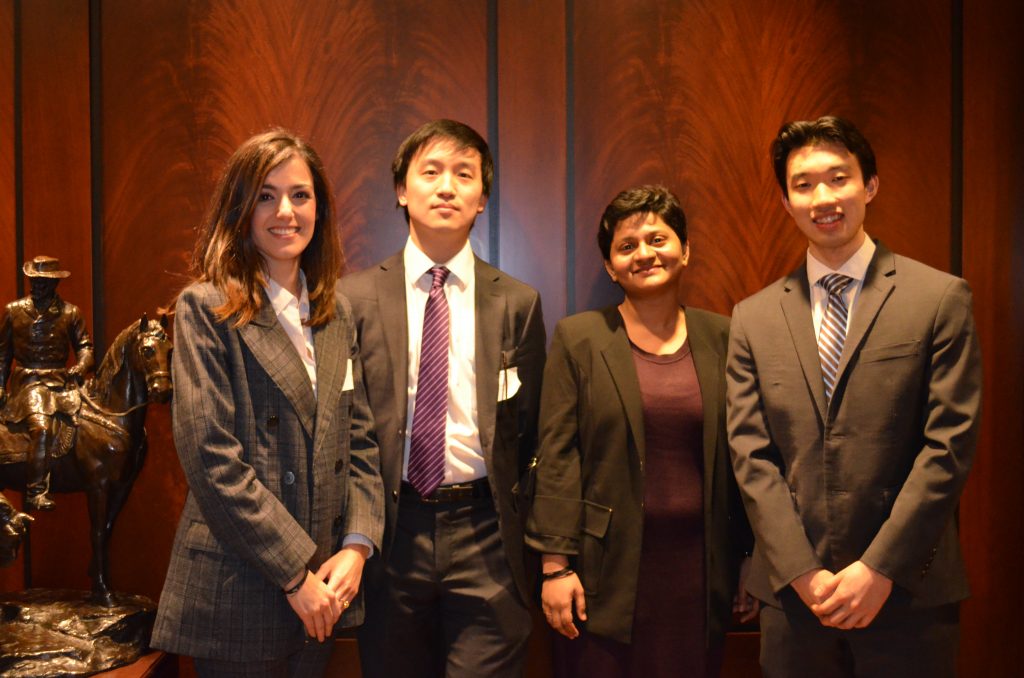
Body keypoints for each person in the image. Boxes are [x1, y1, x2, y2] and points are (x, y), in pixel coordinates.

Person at [726, 116, 981, 677]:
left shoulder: (938, 298)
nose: (823, 197)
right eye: (803, 184)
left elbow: (949, 447)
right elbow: (752, 456)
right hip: (796, 602)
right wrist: (801, 572)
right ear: (785, 200)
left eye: (838, 178)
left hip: (908, 593)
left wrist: (880, 569)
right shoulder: (753, 317)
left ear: (869, 186)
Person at [152, 129, 383, 676]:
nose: (286, 211)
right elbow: (212, 460)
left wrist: (357, 545)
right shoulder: (205, 308)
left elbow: (362, 441)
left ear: (319, 209)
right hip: (241, 587)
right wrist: (295, 576)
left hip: (325, 590)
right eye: (266, 195)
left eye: (300, 195)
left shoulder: (335, 314)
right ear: (241, 208)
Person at [339, 119, 546, 677]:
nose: (447, 186)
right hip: (390, 532)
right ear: (402, 191)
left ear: (483, 197)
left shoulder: (517, 303)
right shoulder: (351, 298)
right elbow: (343, 424)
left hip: (487, 534)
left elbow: (530, 430)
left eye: (464, 174)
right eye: (430, 172)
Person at [526, 185, 757, 677]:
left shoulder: (726, 336)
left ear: (685, 249)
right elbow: (557, 457)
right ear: (611, 267)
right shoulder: (580, 338)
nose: (645, 254)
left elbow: (747, 456)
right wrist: (555, 566)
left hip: (701, 574)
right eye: (627, 246)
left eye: (658, 238)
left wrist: (749, 557)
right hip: (602, 575)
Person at [0, 255, 95, 512]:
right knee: (41, 427)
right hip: (29, 384)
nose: (37, 285)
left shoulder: (71, 313)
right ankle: (36, 490)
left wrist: (81, 365)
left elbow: (85, 346)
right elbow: (3, 355)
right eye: (34, 279)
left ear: (55, 283)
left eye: (43, 281)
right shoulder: (14, 311)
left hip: (62, 383)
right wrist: (0, 385)